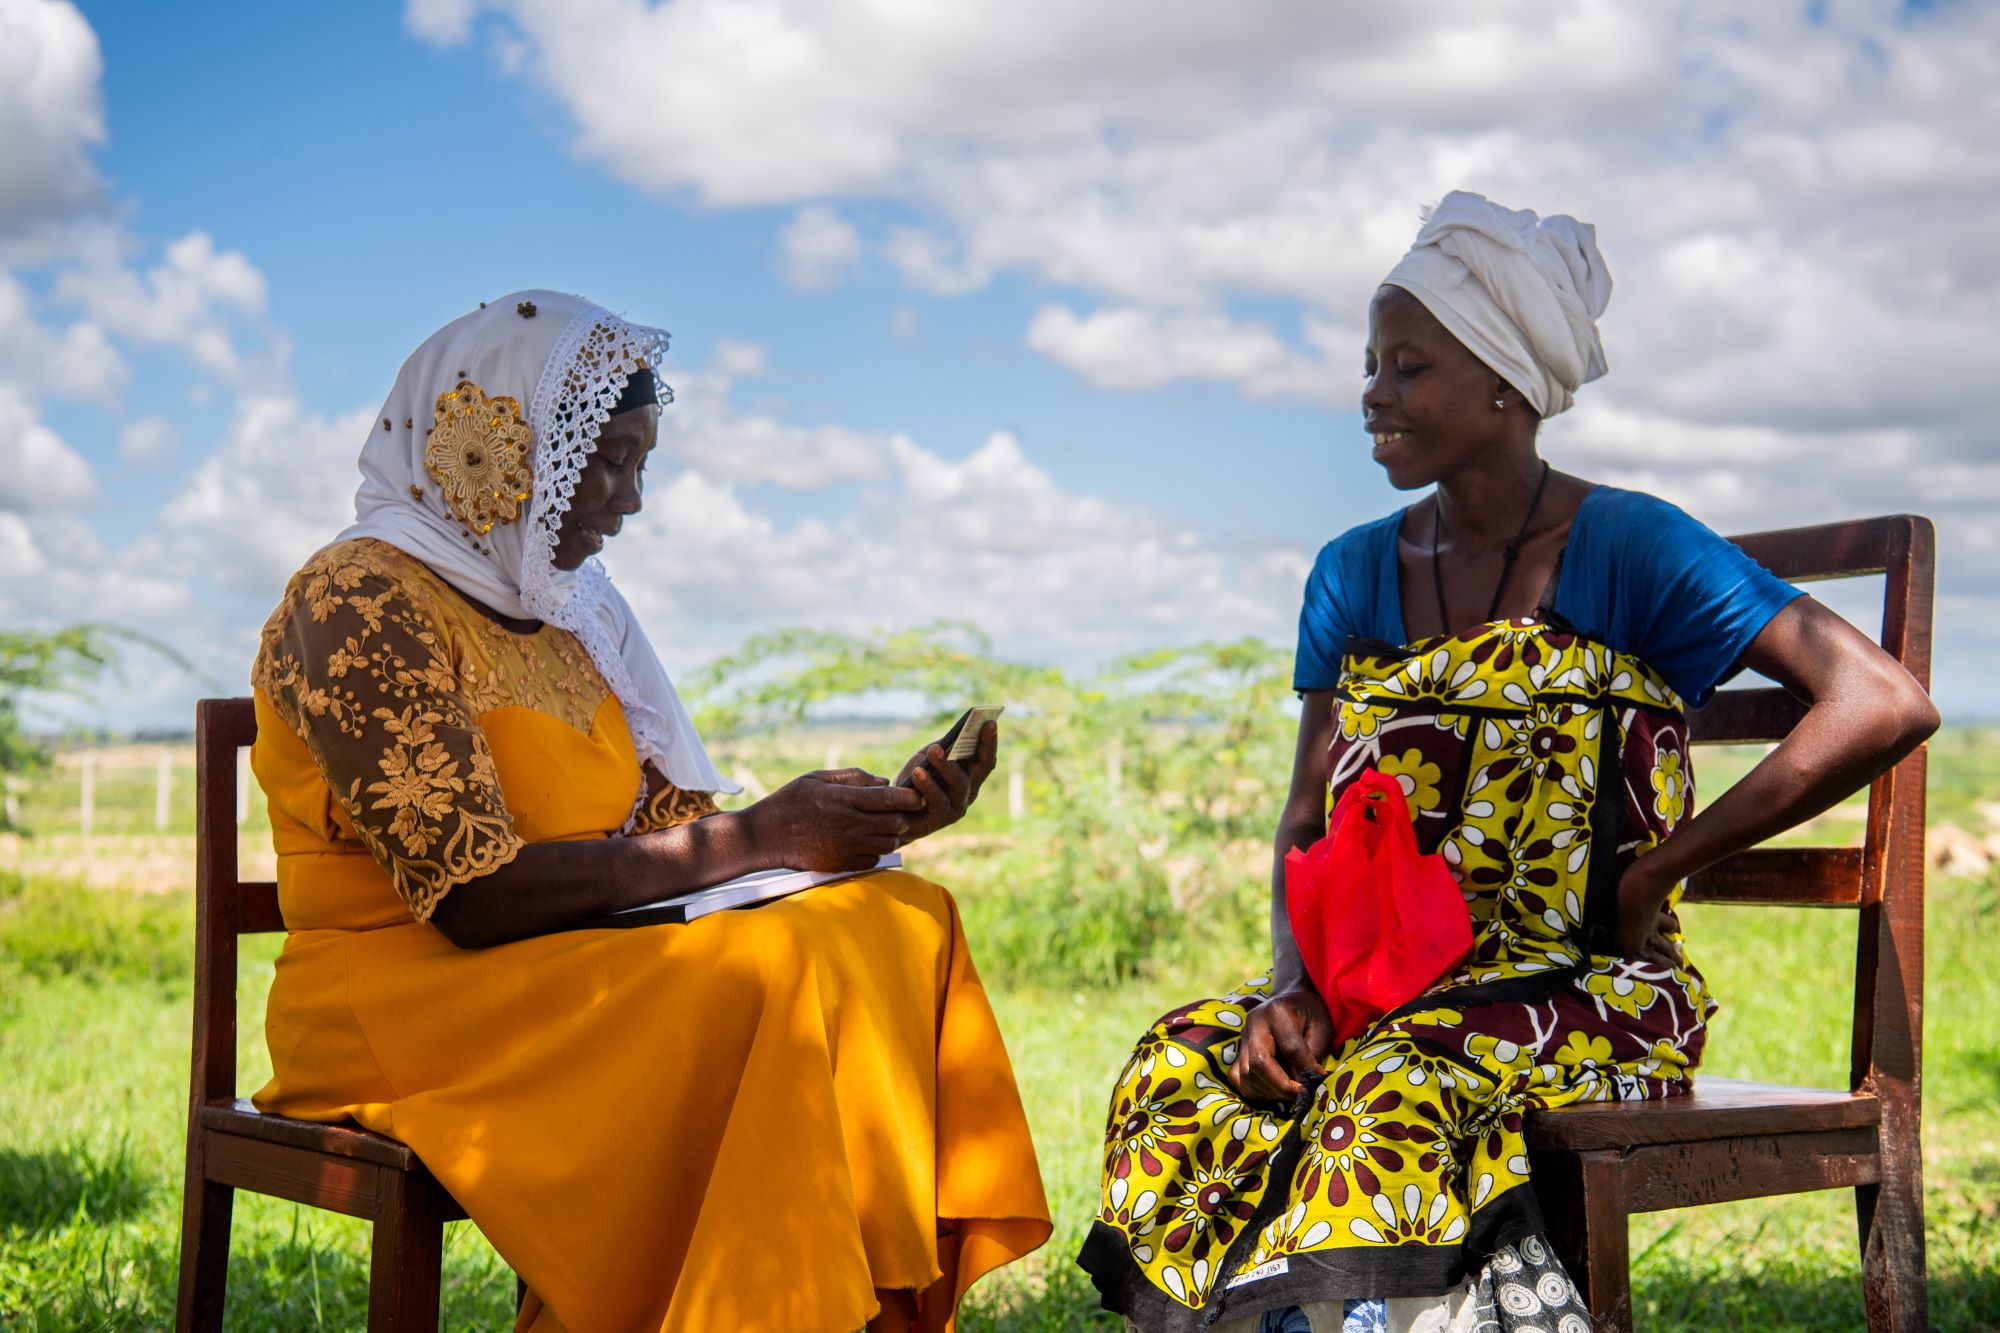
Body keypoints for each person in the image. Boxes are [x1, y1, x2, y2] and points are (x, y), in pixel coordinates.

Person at [1077, 193, 1938, 1332]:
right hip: (1387, 988)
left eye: (1405, 365)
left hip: (1595, 990)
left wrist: (1650, 873)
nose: (1372, 393)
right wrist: (1295, 984)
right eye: (1369, 366)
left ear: (1501, 380)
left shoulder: (1631, 545)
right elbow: (1305, 820)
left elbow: (1878, 700)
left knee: (1395, 1084)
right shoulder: (1349, 572)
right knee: (1181, 1062)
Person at [248, 291, 1050, 1333]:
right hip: (408, 990)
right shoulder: (355, 597)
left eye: (640, 464)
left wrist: (870, 827)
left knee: (898, 919)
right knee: (767, 976)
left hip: (572, 963)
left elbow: (682, 833)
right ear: (497, 449)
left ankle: (831, 1310)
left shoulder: (573, 612)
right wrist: (756, 836)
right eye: (606, 459)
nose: (627, 501)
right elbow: (471, 899)